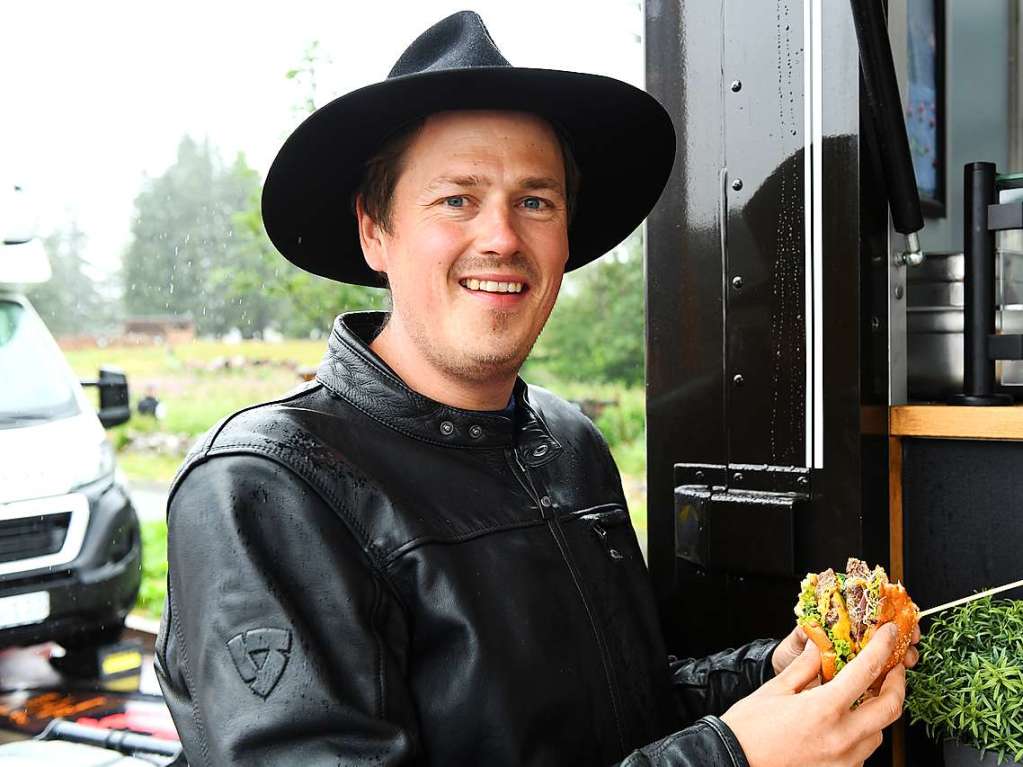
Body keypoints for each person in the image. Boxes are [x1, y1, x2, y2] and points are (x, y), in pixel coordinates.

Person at [155, 11, 919, 766]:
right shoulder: (265, 487)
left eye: (535, 201)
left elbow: (624, 717)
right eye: (456, 198)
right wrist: (728, 759)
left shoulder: (569, 444)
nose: (500, 236)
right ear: (374, 231)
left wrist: (772, 676)